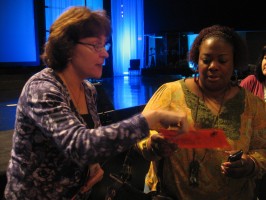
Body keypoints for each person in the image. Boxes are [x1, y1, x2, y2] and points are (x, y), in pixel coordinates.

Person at [4, 6, 189, 199]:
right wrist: (149, 119)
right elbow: (79, 144)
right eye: (95, 45)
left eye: (105, 46)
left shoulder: (88, 91)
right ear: (66, 46)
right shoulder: (42, 88)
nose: (105, 54)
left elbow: (88, 145)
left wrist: (92, 164)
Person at [136, 25, 266, 200]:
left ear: (235, 62)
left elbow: (263, 147)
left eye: (222, 60)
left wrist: (250, 164)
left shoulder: (253, 105)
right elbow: (139, 132)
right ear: (197, 61)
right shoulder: (170, 94)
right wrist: (152, 144)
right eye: (206, 60)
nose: (213, 66)